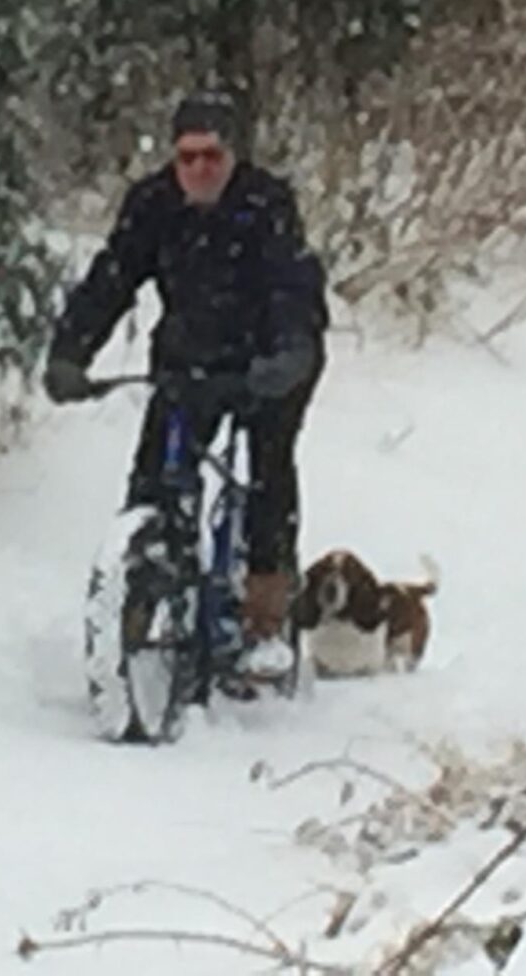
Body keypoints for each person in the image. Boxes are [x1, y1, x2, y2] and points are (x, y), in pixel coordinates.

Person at [44, 90, 328, 683]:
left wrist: (291, 352)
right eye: (187, 156)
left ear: (233, 156)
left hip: (268, 358)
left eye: (212, 156)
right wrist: (70, 353)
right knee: (155, 474)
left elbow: (292, 286)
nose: (199, 168)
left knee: (267, 470)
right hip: (188, 357)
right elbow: (113, 278)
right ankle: (138, 597)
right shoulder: (154, 205)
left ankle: (264, 619)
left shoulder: (266, 204)